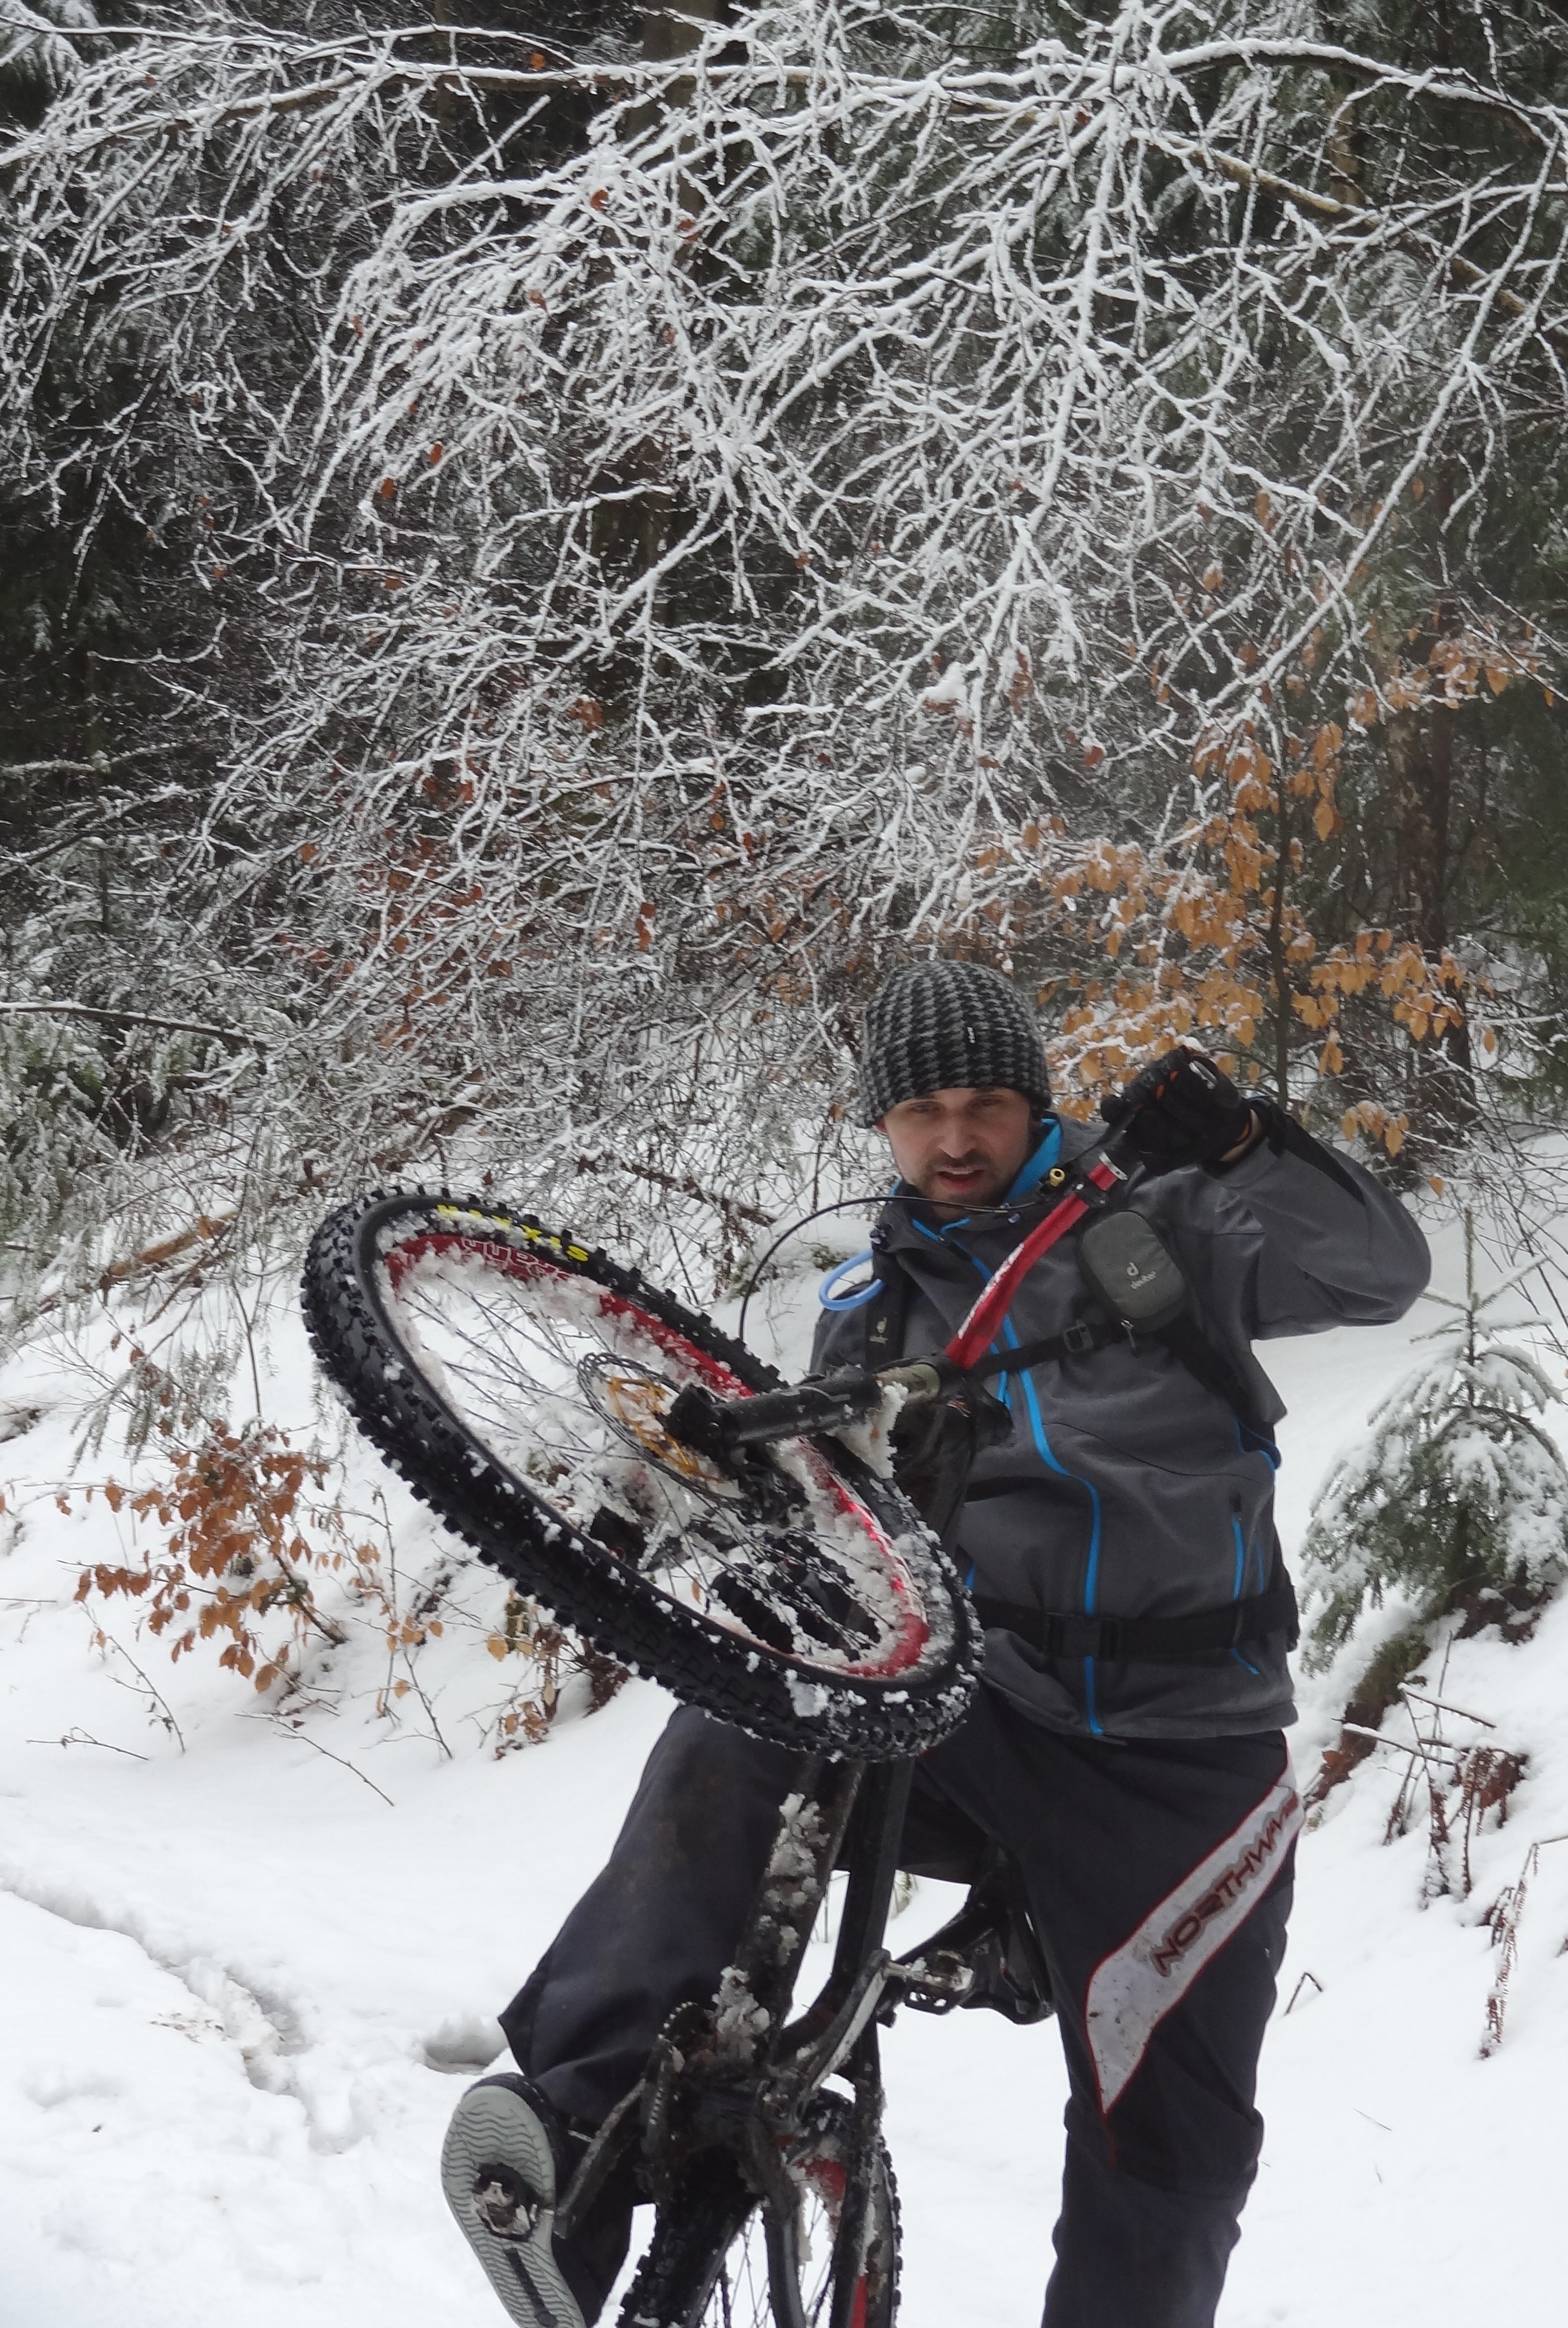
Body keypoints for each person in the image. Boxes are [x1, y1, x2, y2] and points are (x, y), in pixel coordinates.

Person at [442, 958, 1432, 2328]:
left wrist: (1246, 1144)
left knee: (1173, 2156)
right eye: (921, 1112)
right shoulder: (871, 1303)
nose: (954, 1140)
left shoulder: (1165, 1226)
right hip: (978, 1713)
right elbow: (843, 1531)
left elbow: (1379, 1276)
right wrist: (722, 1495)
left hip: (1185, 1750)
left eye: (984, 1106)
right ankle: (575, 2147)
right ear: (883, 1127)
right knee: (749, 1718)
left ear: (1035, 1105)